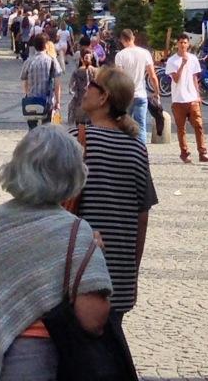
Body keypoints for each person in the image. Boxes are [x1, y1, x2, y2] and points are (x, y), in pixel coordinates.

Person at [0, 127, 113, 381]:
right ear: (72, 174)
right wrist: (94, 254)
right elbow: (92, 318)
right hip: (35, 359)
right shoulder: (76, 233)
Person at [74, 68, 159, 326]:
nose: (86, 87)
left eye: (92, 84)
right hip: (119, 276)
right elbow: (142, 215)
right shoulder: (137, 149)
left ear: (104, 98)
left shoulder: (77, 143)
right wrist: (132, 271)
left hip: (80, 272)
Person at [162, 34, 208, 164]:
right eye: (181, 43)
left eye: (185, 43)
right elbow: (176, 79)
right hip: (179, 99)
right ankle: (184, 153)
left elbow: (195, 77)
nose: (183, 45)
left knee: (199, 125)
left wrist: (197, 94)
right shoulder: (172, 61)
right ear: (177, 44)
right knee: (181, 128)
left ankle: (203, 152)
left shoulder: (194, 59)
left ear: (188, 44)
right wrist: (182, 65)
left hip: (192, 98)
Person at [110, 29, 153, 135]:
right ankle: (142, 149)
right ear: (133, 38)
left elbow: (118, 77)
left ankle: (125, 148)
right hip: (141, 94)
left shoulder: (120, 55)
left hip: (126, 96)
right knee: (141, 125)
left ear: (122, 40)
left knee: (124, 124)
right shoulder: (145, 53)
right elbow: (152, 75)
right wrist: (156, 91)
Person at [20, 33, 58, 129]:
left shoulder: (28, 61)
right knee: (47, 127)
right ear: (46, 45)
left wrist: (26, 94)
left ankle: (33, 142)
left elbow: (24, 80)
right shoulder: (52, 60)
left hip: (31, 100)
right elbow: (57, 83)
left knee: (32, 129)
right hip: (47, 100)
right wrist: (58, 101)